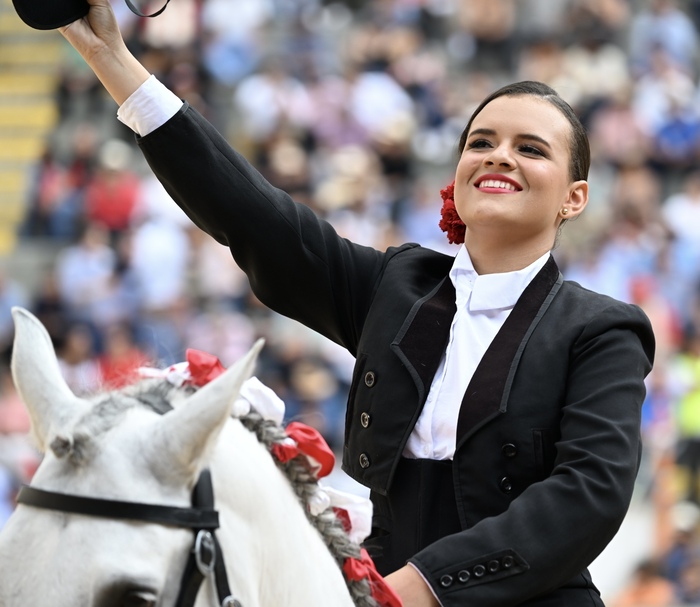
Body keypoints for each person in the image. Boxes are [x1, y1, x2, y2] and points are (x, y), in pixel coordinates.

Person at [56, 2, 655, 605]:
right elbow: (255, 217)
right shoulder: (399, 286)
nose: (499, 155)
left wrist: (420, 586)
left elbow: (589, 494)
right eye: (481, 142)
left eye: (531, 149)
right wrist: (112, 58)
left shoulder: (602, 330)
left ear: (574, 198)